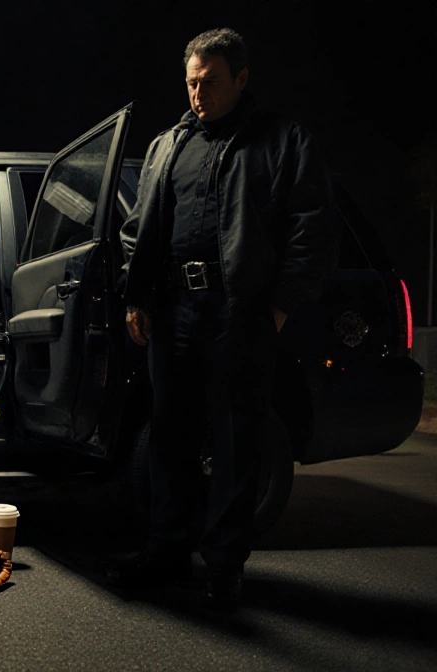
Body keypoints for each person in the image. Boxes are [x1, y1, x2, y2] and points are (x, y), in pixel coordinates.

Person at [112, 28, 338, 608]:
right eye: (191, 81)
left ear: (241, 78)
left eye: (210, 81)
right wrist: (136, 296)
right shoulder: (168, 145)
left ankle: (223, 566)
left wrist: (281, 305)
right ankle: (165, 552)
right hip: (173, 311)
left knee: (238, 441)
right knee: (169, 438)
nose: (198, 92)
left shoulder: (283, 140)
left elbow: (310, 229)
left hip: (239, 313)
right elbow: (139, 228)